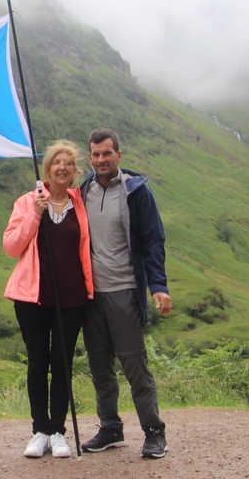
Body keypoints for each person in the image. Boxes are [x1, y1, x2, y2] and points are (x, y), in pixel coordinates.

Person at [78, 128, 173, 460]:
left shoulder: (137, 192)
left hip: (125, 292)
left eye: (106, 153)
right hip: (91, 297)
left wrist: (158, 286)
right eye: (95, 154)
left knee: (134, 364)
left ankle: (153, 432)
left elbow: (152, 241)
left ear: (119, 155)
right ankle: (110, 428)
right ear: (89, 158)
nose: (100, 160)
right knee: (100, 364)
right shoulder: (83, 191)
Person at [2, 140, 94, 459]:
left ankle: (58, 431)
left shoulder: (79, 204)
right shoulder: (28, 202)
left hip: (72, 298)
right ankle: (39, 430)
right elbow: (11, 246)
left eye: (68, 163)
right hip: (32, 299)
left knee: (62, 363)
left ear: (74, 172)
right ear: (47, 169)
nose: (62, 167)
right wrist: (35, 217)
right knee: (38, 362)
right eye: (57, 162)